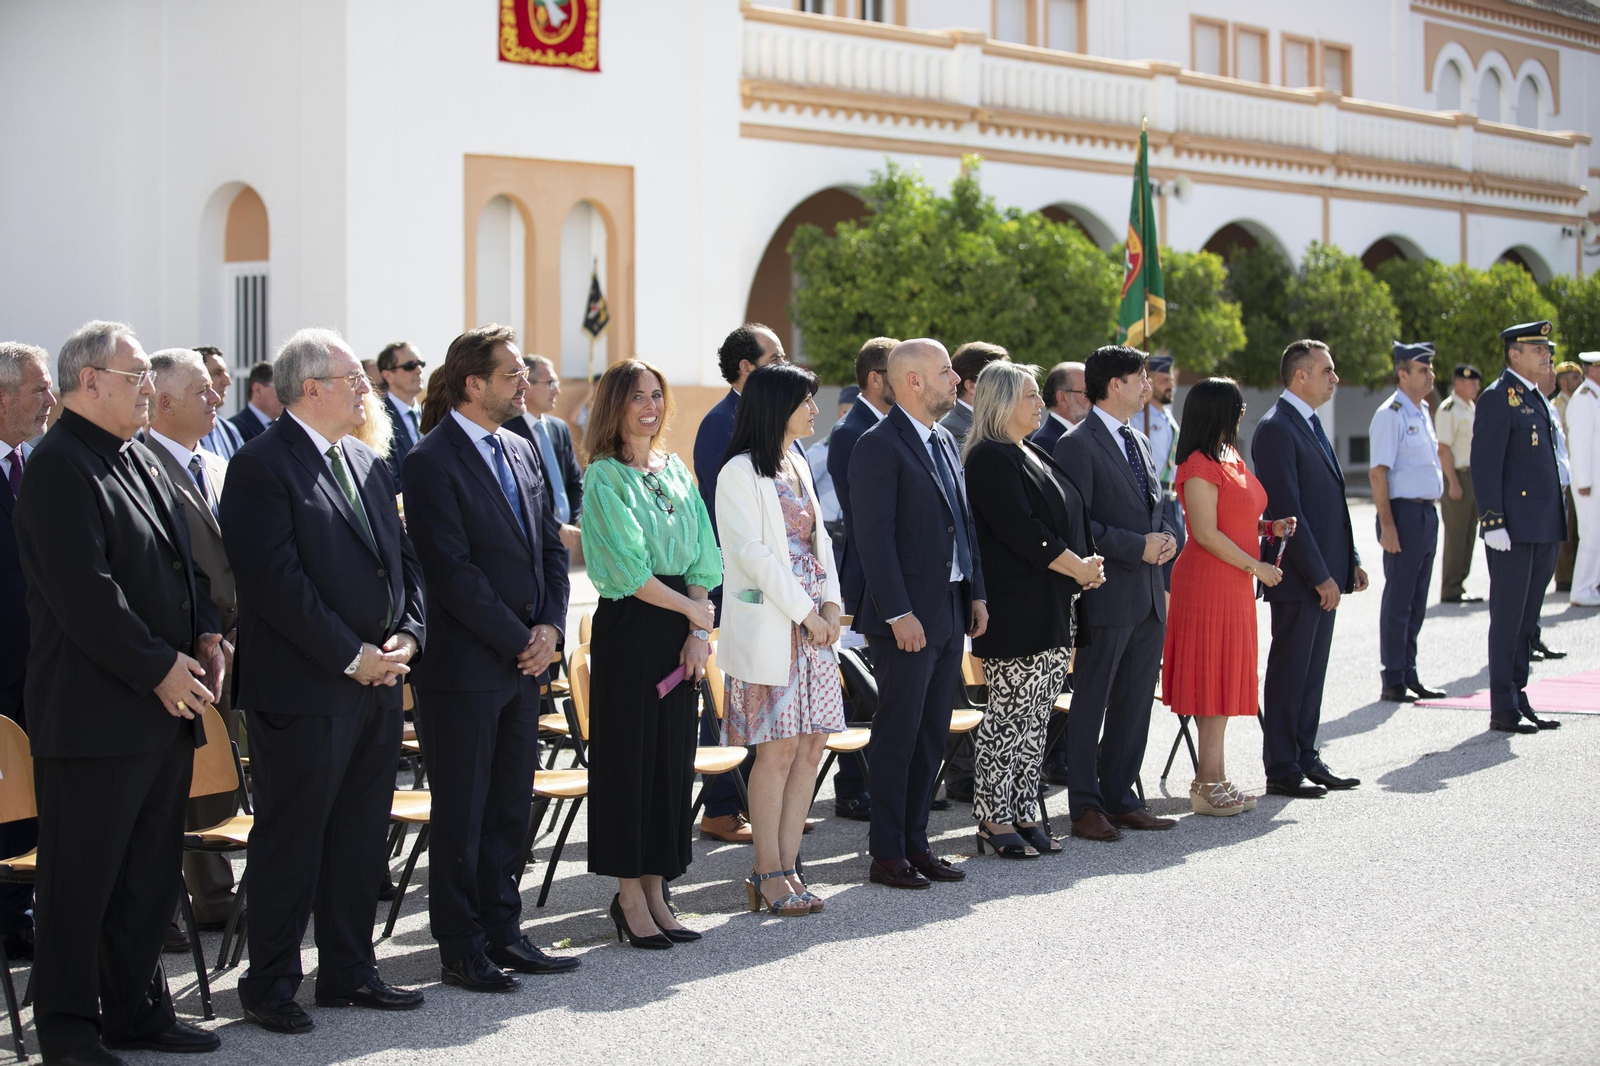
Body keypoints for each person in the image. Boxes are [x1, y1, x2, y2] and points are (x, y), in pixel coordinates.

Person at [16, 321, 225, 1062]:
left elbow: (181, 562)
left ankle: (138, 1009)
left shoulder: (135, 457)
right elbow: (84, 596)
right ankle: (69, 1029)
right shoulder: (57, 466)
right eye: (135, 376)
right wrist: (159, 668)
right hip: (96, 714)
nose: (147, 389)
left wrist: (205, 636)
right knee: (83, 881)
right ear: (88, 381)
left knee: (146, 875)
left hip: (162, 708)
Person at [220, 327, 427, 1033]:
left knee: (360, 834)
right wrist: (349, 653)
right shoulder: (260, 466)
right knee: (294, 836)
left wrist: (408, 633)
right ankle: (271, 981)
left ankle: (349, 969)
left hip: (376, 681)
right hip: (306, 688)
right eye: (353, 379)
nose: (367, 386)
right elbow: (275, 584)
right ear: (311, 388)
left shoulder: (367, 461)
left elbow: (403, 563)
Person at [403, 325, 579, 990]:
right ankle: (461, 943)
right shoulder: (430, 461)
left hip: (525, 662)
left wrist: (550, 630)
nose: (523, 385)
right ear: (473, 384)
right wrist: (519, 637)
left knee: (509, 803)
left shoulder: (522, 446)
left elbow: (550, 551)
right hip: (466, 667)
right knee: (464, 809)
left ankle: (504, 929)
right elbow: (450, 572)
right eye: (511, 375)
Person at [580, 359, 721, 948]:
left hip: (678, 633)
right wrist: (693, 613)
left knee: (668, 764)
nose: (650, 405)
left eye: (657, 395)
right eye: (637, 396)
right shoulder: (604, 477)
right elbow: (629, 570)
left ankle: (659, 891)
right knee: (629, 765)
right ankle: (629, 898)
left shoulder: (677, 470)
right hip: (633, 630)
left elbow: (703, 555)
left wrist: (696, 632)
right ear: (615, 405)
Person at [849, 339, 987, 889]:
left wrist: (975, 592)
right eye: (947, 372)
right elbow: (874, 541)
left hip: (950, 610)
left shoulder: (945, 442)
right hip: (906, 620)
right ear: (912, 382)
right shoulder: (877, 445)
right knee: (899, 734)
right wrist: (898, 612)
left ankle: (915, 842)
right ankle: (887, 852)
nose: (956, 381)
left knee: (931, 734)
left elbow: (963, 523)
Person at [715, 363, 844, 914]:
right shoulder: (738, 472)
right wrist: (804, 613)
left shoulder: (798, 463)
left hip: (816, 625)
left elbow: (822, 542)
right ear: (776, 406)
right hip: (775, 624)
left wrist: (833, 603)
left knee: (812, 746)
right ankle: (765, 871)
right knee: (778, 750)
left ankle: (790, 868)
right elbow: (752, 557)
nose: (815, 409)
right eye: (806, 400)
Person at [963, 361, 1102, 857]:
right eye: (1029, 396)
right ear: (1001, 402)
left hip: (1052, 605)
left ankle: (1024, 810)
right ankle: (993, 817)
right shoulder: (989, 459)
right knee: (1009, 716)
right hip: (1016, 610)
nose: (1040, 403)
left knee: (1037, 718)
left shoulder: (1031, 452)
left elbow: (1065, 519)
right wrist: (1077, 568)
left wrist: (1085, 566)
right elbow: (1024, 532)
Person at [1051, 346, 1177, 840]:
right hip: (1106, 593)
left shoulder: (1140, 439)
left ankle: (1122, 796)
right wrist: (1136, 547)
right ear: (1114, 385)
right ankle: (1085, 805)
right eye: (1139, 377)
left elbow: (1161, 503)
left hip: (1147, 594)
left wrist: (1168, 539)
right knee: (1092, 701)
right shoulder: (1077, 445)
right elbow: (1076, 525)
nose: (1148, 384)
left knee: (1134, 701)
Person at [1161, 378, 1291, 815]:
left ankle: (1214, 776)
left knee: (1226, 676)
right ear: (1218, 411)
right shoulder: (1198, 463)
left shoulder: (1229, 455)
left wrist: (1267, 529)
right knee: (1210, 677)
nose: (1242, 412)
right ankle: (1205, 781)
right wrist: (1258, 567)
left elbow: (1233, 519)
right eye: (1236, 406)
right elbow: (1205, 533)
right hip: (1208, 580)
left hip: (1233, 579)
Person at [144, 349, 242, 927]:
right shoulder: (144, 466)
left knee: (218, 767)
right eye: (201, 391)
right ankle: (170, 907)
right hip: (180, 647)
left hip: (229, 642)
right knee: (172, 780)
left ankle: (212, 894)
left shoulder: (218, 463)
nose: (215, 399)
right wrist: (204, 632)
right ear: (164, 402)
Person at [1252, 339, 1368, 798]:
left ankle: (1305, 753)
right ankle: (1281, 765)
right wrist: (1320, 573)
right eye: (1328, 371)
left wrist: (1350, 561)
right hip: (1299, 577)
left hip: (1325, 573)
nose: (1335, 379)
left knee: (1312, 671)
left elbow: (1332, 503)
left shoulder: (1311, 423)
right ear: (1300, 376)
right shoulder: (1276, 428)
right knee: (1290, 669)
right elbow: (1289, 509)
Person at [689, 323, 786, 844]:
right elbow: (725, 515)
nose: (784, 365)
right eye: (774, 359)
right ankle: (723, 807)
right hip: (734, 584)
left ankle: (759, 803)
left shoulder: (764, 419)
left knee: (762, 695)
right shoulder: (720, 422)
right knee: (728, 697)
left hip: (769, 585)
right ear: (746, 368)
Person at [1471, 321, 1567, 734]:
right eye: (1537, 347)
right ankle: (1502, 704)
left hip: (1542, 524)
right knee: (1508, 616)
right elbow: (1485, 463)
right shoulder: (1498, 398)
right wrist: (1492, 520)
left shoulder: (1535, 397)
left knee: (1528, 618)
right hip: (1512, 528)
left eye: (1547, 347)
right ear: (1514, 354)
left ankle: (1519, 693)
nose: (1546, 353)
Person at [825, 337, 898, 823]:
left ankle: (870, 779)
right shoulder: (853, 431)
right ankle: (853, 784)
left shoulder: (881, 426)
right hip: (864, 576)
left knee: (880, 685)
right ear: (876, 378)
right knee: (860, 685)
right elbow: (866, 515)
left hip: (878, 573)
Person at [0, 342, 53, 964]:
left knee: (33, 801)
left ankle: (22, 915)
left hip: (42, 666)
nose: (49, 400)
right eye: (39, 389)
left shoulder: (40, 465)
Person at [1368, 342, 1448, 703]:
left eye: (1430, 369)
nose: (1430, 375)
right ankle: (1393, 677)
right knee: (1400, 598)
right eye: (1422, 370)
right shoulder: (1392, 413)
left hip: (1426, 513)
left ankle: (1409, 670)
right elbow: (1378, 473)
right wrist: (1387, 524)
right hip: (1403, 514)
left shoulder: (1421, 411)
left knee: (1417, 599)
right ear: (1402, 374)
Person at [503, 354, 584, 554]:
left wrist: (569, 524)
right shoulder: (506, 431)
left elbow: (574, 482)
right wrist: (554, 527)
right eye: (550, 383)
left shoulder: (559, 428)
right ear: (526, 385)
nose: (557, 390)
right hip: (531, 540)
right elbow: (516, 492)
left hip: (564, 539)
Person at [1435, 363, 1484, 603]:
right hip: (1458, 475)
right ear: (1458, 384)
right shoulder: (1449, 409)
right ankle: (1450, 587)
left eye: (1477, 382)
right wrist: (1453, 482)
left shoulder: (1470, 407)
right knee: (1456, 534)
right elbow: (1443, 449)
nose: (1477, 386)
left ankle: (1459, 584)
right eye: (1472, 382)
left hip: (1473, 475)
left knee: (1468, 533)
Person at [1136, 355, 1183, 590]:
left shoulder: (1167, 417)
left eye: (1171, 380)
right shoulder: (1139, 418)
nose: (1170, 385)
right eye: (1164, 380)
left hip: (1173, 500)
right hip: (1154, 498)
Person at [1566, 351, 1600, 607]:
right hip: (1590, 482)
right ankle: (1581, 589)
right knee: (1590, 534)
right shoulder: (1584, 399)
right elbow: (1578, 443)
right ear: (1593, 370)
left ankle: (1591, 586)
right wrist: (1584, 481)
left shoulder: (1594, 397)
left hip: (1596, 480)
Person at [939, 341, 1009, 450]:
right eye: (999, 379)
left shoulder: (997, 422)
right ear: (972, 386)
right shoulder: (952, 429)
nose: (1008, 386)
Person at [375, 341, 426, 488]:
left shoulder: (430, 414)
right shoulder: (378, 417)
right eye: (410, 366)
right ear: (388, 375)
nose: (418, 370)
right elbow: (387, 478)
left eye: (421, 364)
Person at [1552, 360, 1583, 592]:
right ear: (1563, 381)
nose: (1579, 381)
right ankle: (1564, 577)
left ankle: (1582, 574)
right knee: (1567, 526)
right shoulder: (1557, 405)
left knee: (1584, 526)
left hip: (1583, 470)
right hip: (1567, 472)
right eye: (1574, 378)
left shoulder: (1582, 402)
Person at [195, 346, 245, 459]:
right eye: (218, 373)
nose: (227, 381)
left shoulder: (230, 431)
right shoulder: (181, 431)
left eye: (226, 373)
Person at [1032, 361, 1088, 452]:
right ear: (1062, 398)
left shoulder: (1085, 435)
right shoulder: (1045, 442)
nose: (1093, 399)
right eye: (1086, 392)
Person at [229, 360, 280, 442]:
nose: (285, 394)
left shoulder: (284, 426)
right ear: (258, 390)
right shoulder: (234, 428)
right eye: (279, 388)